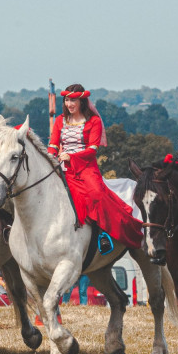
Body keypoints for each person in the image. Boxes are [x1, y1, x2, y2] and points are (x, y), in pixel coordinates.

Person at [47, 83, 143, 253]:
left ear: (82, 102)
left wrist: (71, 157)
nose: (70, 104)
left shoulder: (94, 121)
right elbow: (54, 144)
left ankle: (102, 234)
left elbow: (92, 151)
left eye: (74, 101)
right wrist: (50, 157)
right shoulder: (60, 120)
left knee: (96, 194)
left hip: (85, 167)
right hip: (63, 167)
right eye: (67, 100)